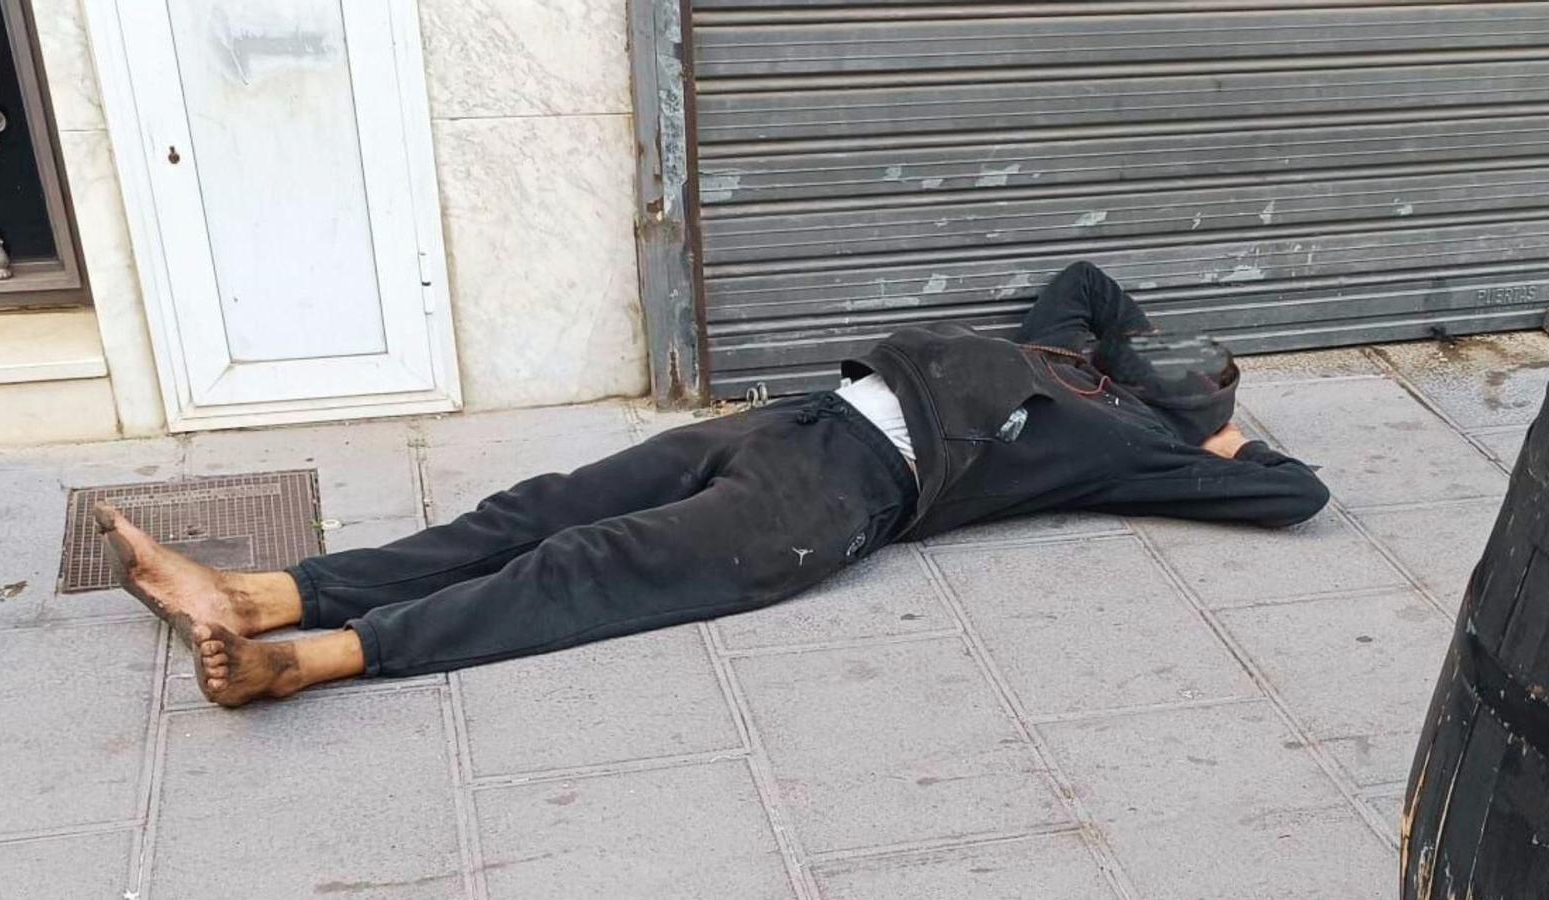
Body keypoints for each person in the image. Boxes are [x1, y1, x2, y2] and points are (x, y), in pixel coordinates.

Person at [95, 261, 1330, 708]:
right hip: (795, 421)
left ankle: (311, 660)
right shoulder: (1069, 343)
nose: (1173, 364)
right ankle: (266, 593)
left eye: (1196, 377)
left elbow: (1298, 497)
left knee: (581, 570)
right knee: (532, 508)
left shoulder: (1129, 445)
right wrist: (1119, 353)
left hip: (841, 499)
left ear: (1186, 407)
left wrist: (1215, 447)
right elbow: (1093, 276)